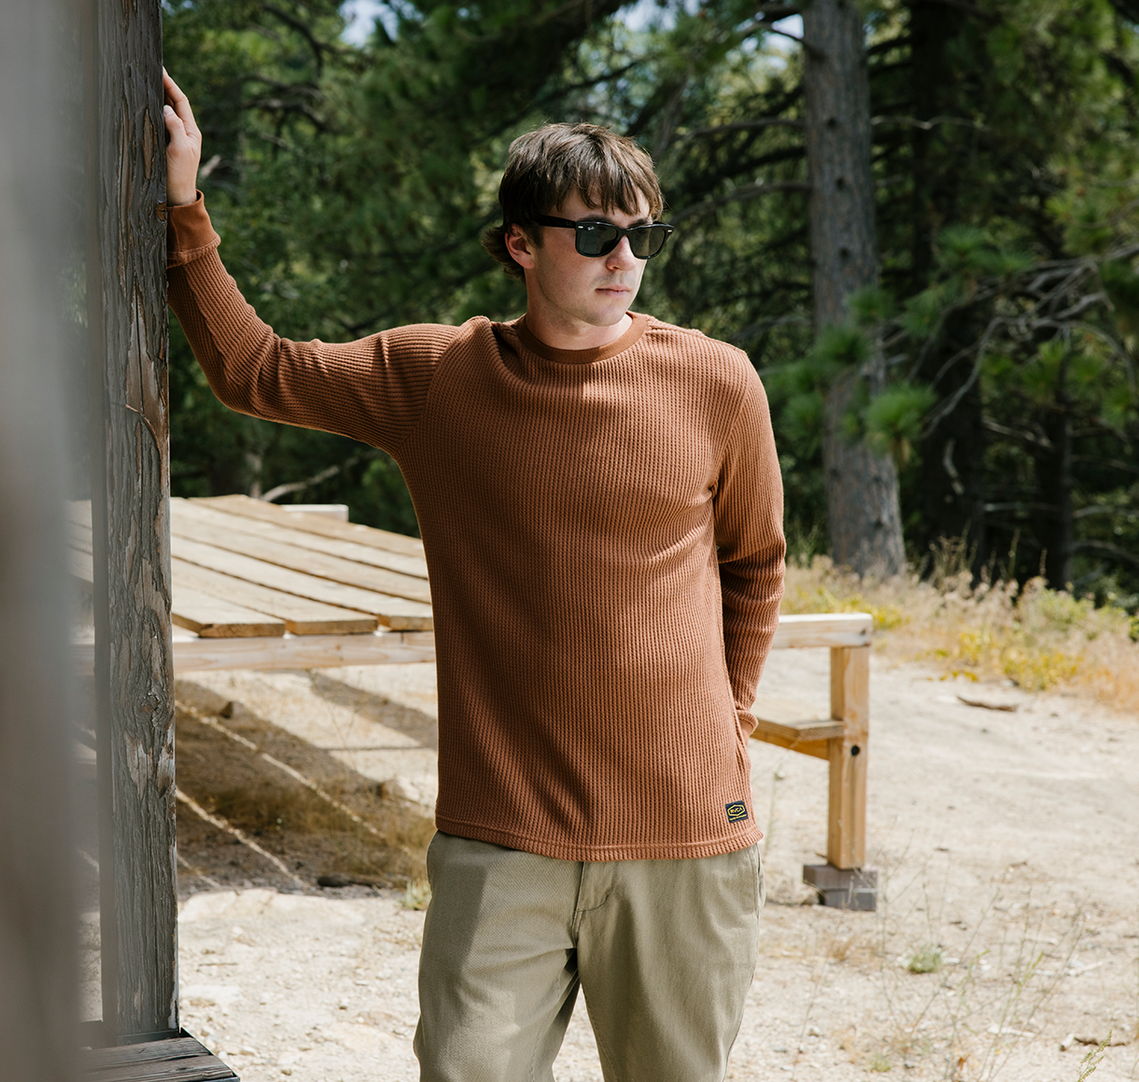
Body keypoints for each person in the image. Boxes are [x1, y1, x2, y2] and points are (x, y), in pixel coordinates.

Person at [161, 71, 786, 1082]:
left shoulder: (718, 380)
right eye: (592, 235)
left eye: (641, 236)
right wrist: (182, 207)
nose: (621, 258)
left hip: (683, 837)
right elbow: (251, 367)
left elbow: (752, 565)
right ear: (519, 244)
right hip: (501, 840)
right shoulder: (436, 378)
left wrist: (731, 721)